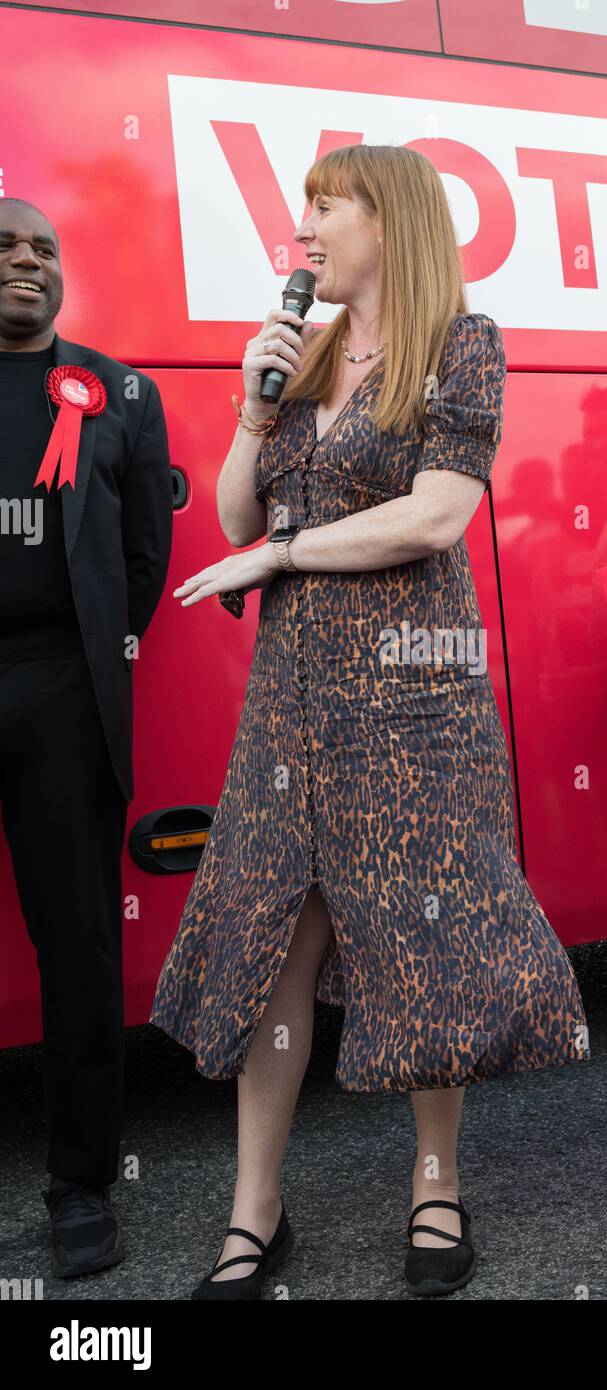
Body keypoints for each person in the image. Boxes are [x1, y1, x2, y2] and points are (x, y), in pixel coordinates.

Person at [149, 143, 589, 1299]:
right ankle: (257, 1209)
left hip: (412, 697)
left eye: (324, 205)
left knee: (423, 941)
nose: (304, 228)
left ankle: (433, 1183)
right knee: (268, 944)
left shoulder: (463, 345)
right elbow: (238, 511)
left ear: (387, 219)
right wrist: (252, 405)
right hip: (291, 697)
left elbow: (437, 516)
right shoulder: (305, 352)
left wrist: (285, 552)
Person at [0, 199, 173, 1274]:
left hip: (65, 693)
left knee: (78, 944)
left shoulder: (116, 392)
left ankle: (81, 1188)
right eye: (6, 246)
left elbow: (144, 553)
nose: (26, 261)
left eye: (42, 248)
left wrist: (90, 652)